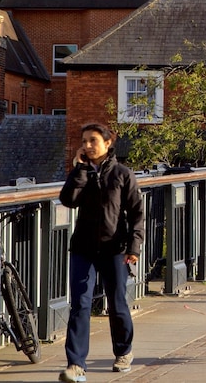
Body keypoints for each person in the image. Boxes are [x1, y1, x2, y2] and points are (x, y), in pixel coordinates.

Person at [59, 123, 145, 383]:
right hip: (83, 248)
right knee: (80, 305)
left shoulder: (122, 174)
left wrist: (134, 247)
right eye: (84, 140)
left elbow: (137, 213)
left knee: (117, 304)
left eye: (93, 140)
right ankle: (76, 364)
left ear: (108, 143)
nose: (87, 145)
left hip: (114, 249)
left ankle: (123, 352)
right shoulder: (82, 172)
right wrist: (80, 170)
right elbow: (68, 200)